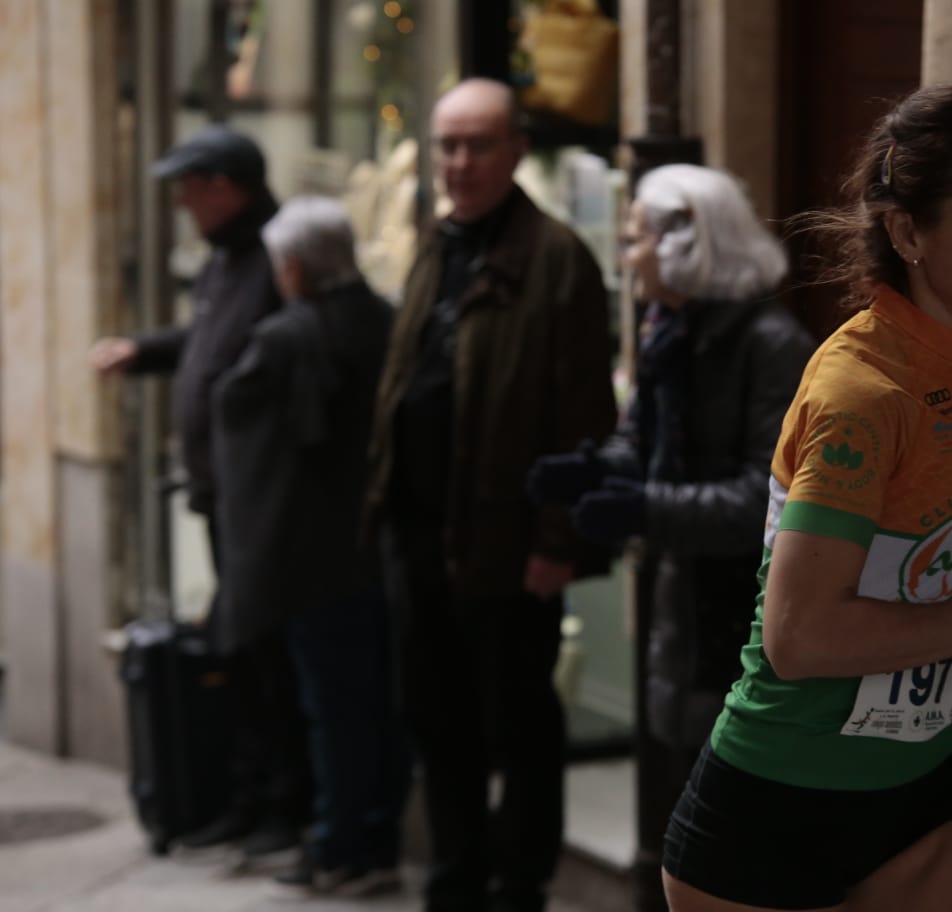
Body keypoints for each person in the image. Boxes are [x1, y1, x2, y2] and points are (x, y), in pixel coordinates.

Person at [657, 84, 952, 911]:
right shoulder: (861, 393)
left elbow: (920, 550)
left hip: (929, 775)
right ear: (909, 232)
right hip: (780, 805)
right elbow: (800, 637)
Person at [527, 164, 813, 912]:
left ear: (689, 243)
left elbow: (769, 500)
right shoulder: (668, 333)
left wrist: (644, 508)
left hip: (742, 621)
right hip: (680, 613)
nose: (629, 256)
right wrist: (589, 471)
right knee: (681, 829)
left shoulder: (769, 344)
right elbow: (642, 445)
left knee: (739, 846)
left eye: (638, 239)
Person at [362, 78, 618, 912]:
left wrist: (558, 542)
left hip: (508, 543)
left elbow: (583, 418)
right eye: (448, 145)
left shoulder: (556, 260)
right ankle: (455, 880)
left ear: (514, 151)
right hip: (419, 534)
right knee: (437, 726)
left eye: (477, 144)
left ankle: (518, 886)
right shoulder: (435, 245)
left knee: (519, 728)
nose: (460, 162)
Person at [89, 124, 311, 858]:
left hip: (265, 504)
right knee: (241, 654)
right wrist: (144, 350)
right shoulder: (226, 261)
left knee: (265, 653)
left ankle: (285, 804)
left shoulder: (278, 258)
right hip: (225, 498)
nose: (183, 202)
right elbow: (206, 341)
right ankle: (251, 797)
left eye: (191, 188)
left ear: (226, 188)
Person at [209, 195, 411, 896]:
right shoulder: (385, 319)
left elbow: (233, 420)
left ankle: (341, 847)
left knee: (333, 711)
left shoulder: (288, 336)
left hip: (312, 558)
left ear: (292, 267)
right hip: (382, 548)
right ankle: (373, 840)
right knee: (376, 706)